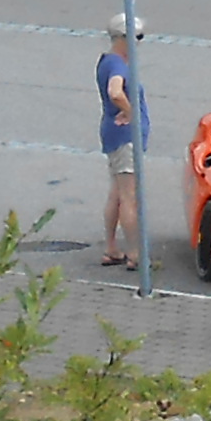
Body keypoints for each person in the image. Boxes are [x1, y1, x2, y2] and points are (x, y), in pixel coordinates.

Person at [94, 16, 145, 271]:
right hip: (125, 136)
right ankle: (134, 252)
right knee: (128, 196)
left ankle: (111, 246)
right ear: (124, 38)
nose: (139, 44)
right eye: (138, 38)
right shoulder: (119, 65)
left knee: (116, 191)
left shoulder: (106, 61)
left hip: (112, 134)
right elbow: (116, 91)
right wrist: (130, 111)